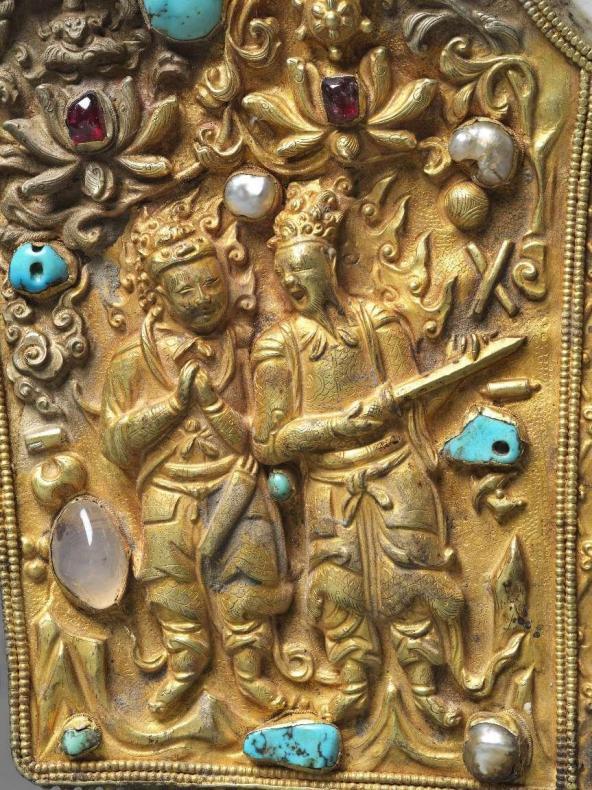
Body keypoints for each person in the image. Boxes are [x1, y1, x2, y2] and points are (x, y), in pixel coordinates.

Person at [251, 178, 467, 728]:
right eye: (283, 273)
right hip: (329, 484)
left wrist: (454, 372)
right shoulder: (278, 344)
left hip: (395, 470)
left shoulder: (377, 321)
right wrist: (333, 426)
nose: (291, 281)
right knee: (339, 586)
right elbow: (270, 440)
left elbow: (411, 398)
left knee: (412, 572)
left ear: (328, 261)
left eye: (301, 267)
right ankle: (353, 683)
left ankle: (425, 684)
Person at [101, 194, 292, 719]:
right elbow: (115, 444)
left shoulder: (246, 349)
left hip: (235, 481)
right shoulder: (131, 361)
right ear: (159, 296)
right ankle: (186, 664)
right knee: (172, 581)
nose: (203, 298)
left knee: (248, 575)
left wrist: (213, 406)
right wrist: (171, 407)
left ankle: (250, 670)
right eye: (185, 290)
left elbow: (259, 435)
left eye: (211, 284)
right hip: (167, 489)